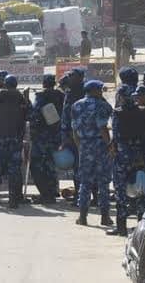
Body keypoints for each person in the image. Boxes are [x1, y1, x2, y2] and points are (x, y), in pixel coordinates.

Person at [106, 85, 145, 236]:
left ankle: (121, 227)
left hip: (122, 157)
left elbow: (116, 136)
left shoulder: (117, 113)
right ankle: (142, 227)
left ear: (121, 97)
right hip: (140, 156)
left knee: (121, 191)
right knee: (141, 190)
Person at [0, 75, 29, 209]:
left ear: (5, 84)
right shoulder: (21, 98)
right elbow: (27, 117)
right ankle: (13, 200)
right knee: (14, 170)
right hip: (15, 139)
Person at [71, 80, 113, 227]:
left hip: (84, 145)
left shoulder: (76, 105)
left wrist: (80, 147)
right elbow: (103, 128)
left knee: (85, 182)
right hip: (100, 145)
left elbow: (74, 131)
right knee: (103, 182)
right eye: (100, 90)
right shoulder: (102, 105)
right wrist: (110, 145)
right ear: (95, 90)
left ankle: (82, 217)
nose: (102, 92)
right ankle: (105, 217)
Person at [29, 75, 65, 204]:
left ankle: (46, 194)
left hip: (42, 136)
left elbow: (34, 114)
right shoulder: (61, 96)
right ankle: (53, 190)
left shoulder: (41, 96)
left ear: (44, 84)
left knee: (38, 165)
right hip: (56, 134)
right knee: (51, 164)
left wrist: (32, 130)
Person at [59, 68, 85, 199]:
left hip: (78, 135)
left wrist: (66, 137)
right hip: (77, 134)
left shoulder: (78, 93)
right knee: (80, 166)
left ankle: (81, 196)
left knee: (80, 166)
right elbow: (61, 83)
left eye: (71, 76)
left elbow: (68, 118)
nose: (69, 79)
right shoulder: (75, 90)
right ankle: (83, 195)